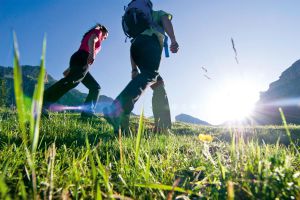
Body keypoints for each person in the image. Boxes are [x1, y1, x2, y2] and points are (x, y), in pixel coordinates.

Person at [104, 2, 179, 133]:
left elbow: (133, 46)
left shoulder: (138, 26)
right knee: (151, 75)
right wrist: (173, 39)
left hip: (136, 47)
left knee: (158, 83)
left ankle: (158, 127)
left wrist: (134, 69)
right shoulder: (156, 14)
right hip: (150, 43)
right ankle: (117, 110)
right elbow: (165, 20)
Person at [42, 23, 108, 118]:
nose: (105, 38)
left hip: (79, 58)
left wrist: (70, 68)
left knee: (95, 87)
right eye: (106, 36)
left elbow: (81, 49)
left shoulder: (91, 33)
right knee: (71, 81)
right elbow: (92, 40)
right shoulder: (98, 32)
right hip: (83, 57)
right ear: (104, 31)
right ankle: (43, 102)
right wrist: (92, 54)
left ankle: (87, 113)